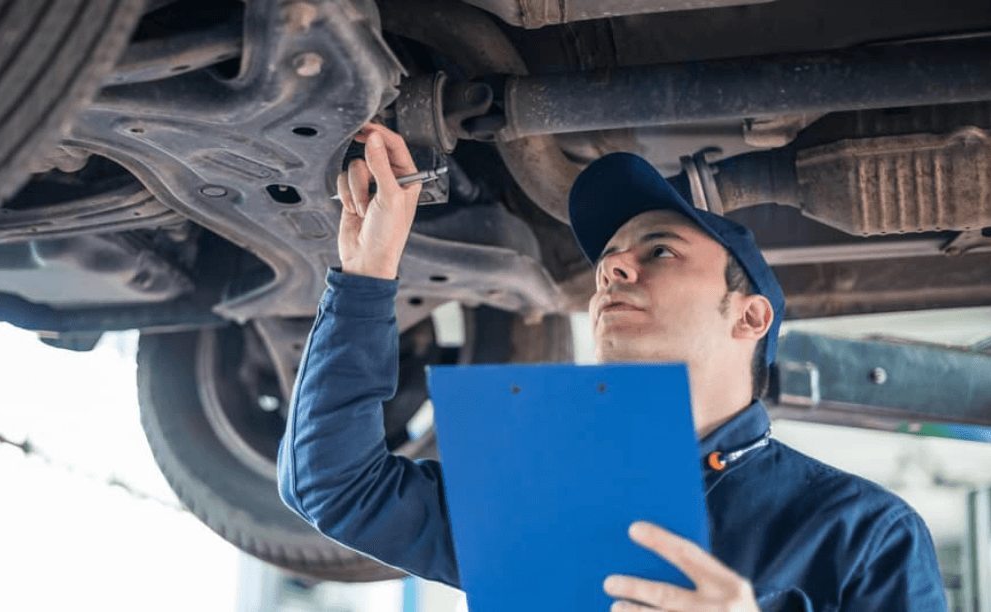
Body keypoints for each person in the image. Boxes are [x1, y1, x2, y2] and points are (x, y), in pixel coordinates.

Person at [277, 123, 947, 611]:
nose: (612, 267)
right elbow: (336, 487)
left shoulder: (863, 533)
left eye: (659, 251)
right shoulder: (548, 499)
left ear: (749, 317)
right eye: (609, 259)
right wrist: (366, 274)